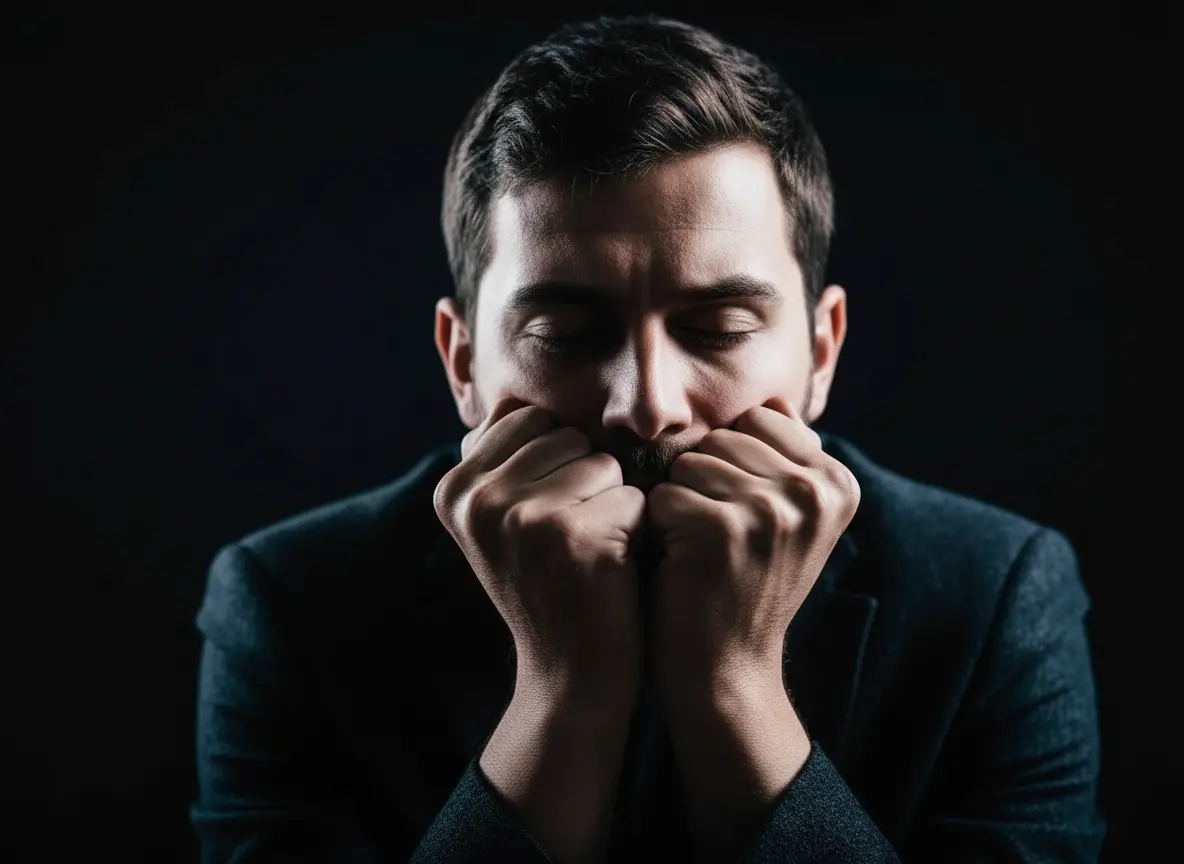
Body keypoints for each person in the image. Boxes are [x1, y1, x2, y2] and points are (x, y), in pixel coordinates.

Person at [191, 14, 1104, 863]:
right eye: (567, 333)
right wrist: (562, 692)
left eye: (719, 328)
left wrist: (737, 685)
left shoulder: (995, 598)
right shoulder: (288, 607)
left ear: (822, 352)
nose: (646, 406)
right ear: (462, 363)